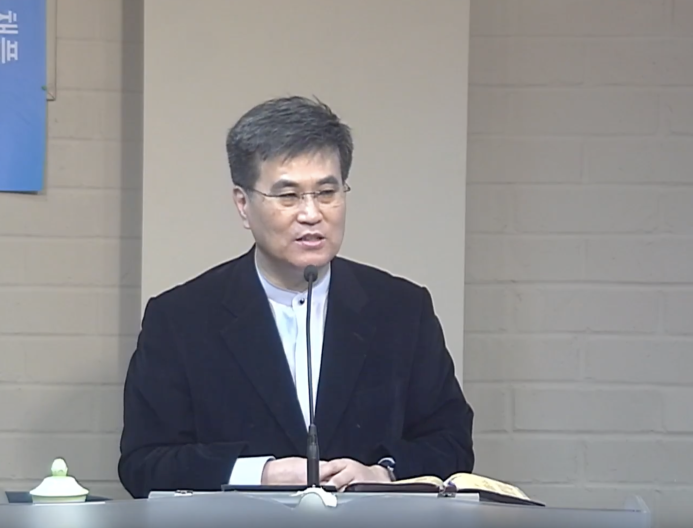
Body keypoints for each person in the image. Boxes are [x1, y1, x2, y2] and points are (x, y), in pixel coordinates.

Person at [118, 95, 474, 498]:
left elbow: (451, 442)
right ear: (243, 205)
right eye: (288, 196)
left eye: (327, 192)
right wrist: (260, 474)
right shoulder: (181, 318)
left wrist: (384, 474)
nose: (311, 214)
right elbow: (144, 464)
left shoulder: (402, 310)